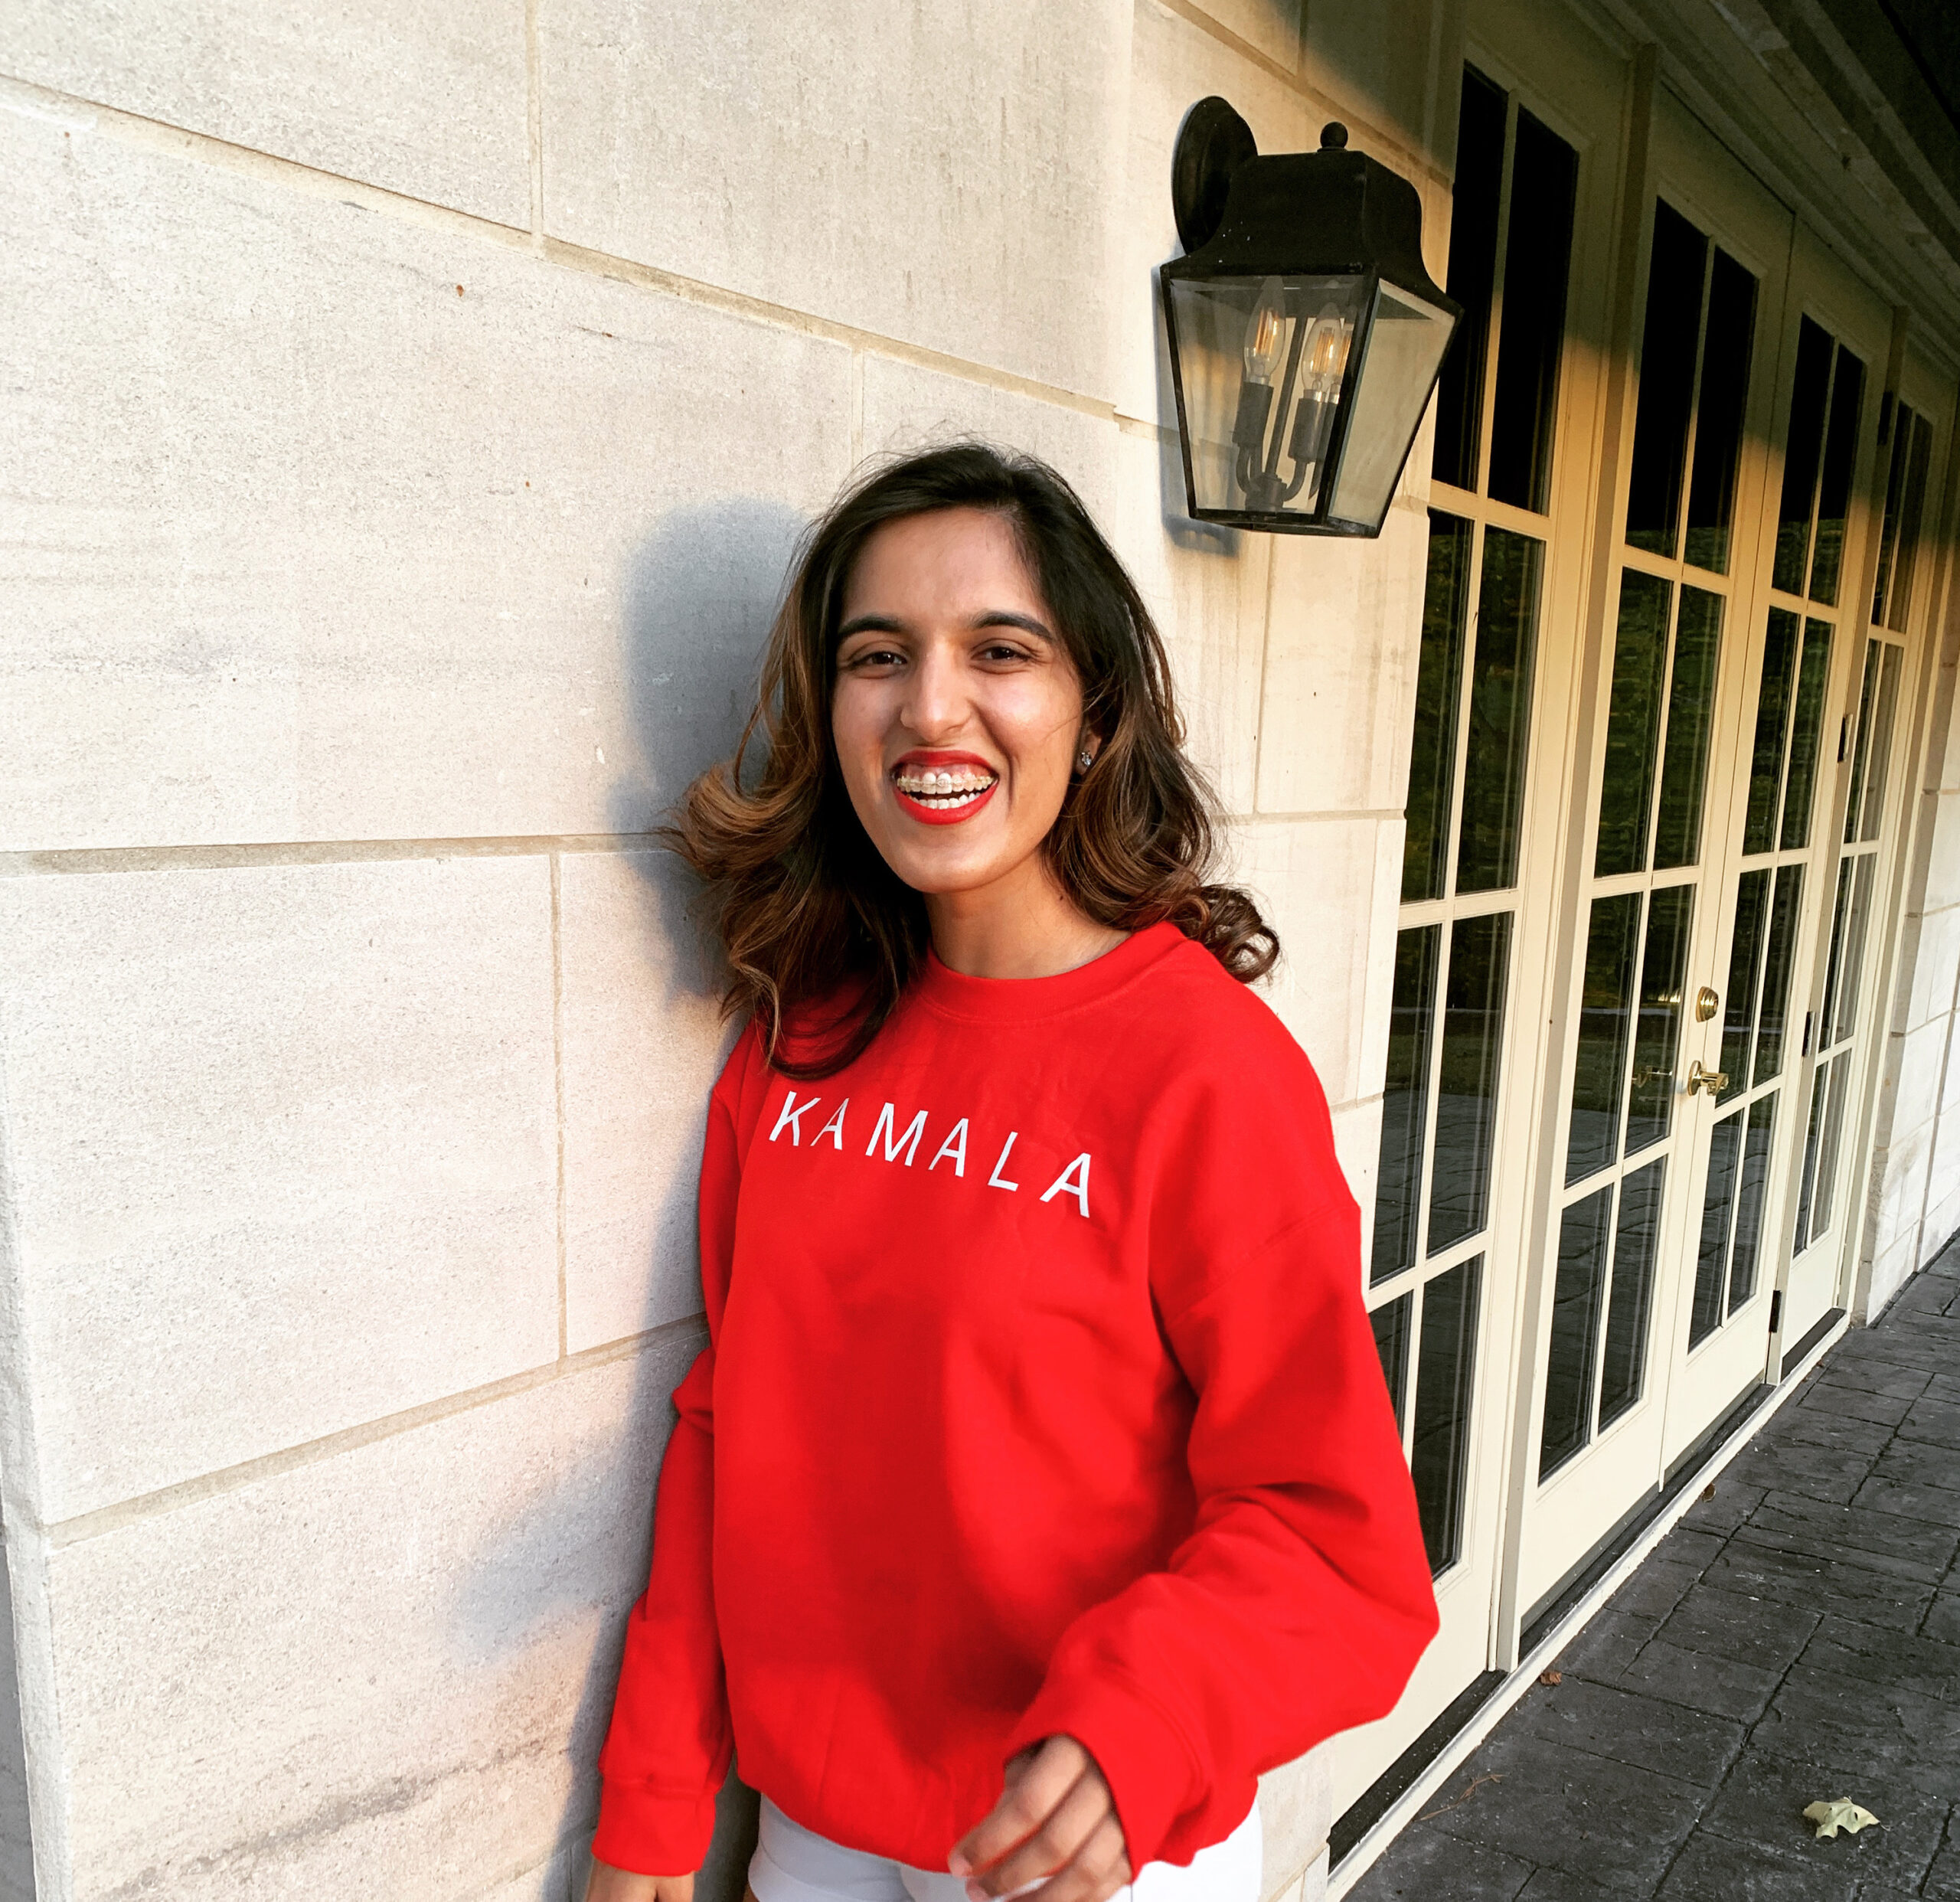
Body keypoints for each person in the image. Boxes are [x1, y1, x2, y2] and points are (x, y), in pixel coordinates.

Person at [583, 443, 1437, 1902]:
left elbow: (1332, 1535)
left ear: (1094, 713)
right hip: (818, 1824)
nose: (931, 706)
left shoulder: (1206, 1072)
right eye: (878, 655)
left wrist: (1144, 1726)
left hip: (1077, 1840)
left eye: (1000, 651)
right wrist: (657, 1790)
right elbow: (732, 1417)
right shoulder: (803, 1038)